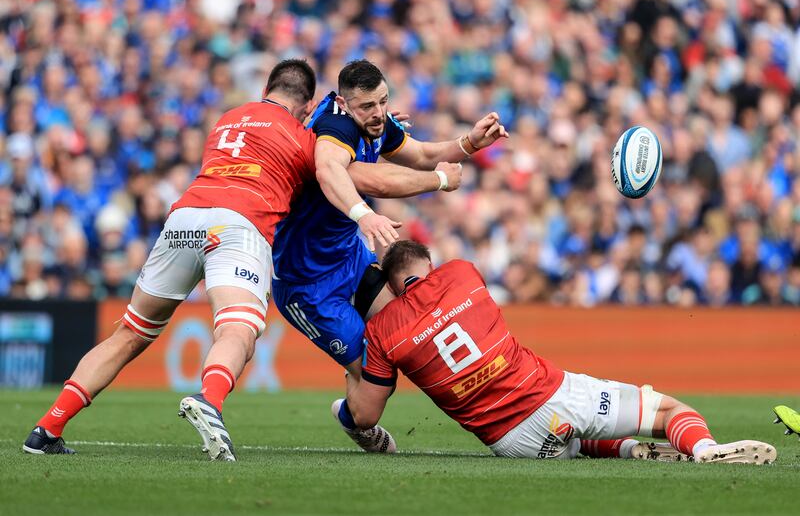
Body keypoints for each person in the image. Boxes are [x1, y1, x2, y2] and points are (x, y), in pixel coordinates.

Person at [21, 59, 456, 460]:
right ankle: (210, 402)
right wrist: (429, 179)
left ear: (267, 89)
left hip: (185, 216)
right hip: (239, 224)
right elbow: (352, 174)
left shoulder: (227, 120)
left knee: (131, 333)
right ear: (308, 107)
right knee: (238, 330)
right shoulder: (306, 137)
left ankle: (46, 429)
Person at [342, 240, 777, 464]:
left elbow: (366, 415)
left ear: (393, 286)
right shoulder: (461, 274)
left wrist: (349, 370)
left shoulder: (383, 331)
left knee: (579, 441)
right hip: (550, 394)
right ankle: (703, 451)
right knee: (665, 412)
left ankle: (626, 451)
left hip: (510, 441)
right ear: (429, 267)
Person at [271, 60, 507, 452]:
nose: (378, 112)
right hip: (307, 284)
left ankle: (363, 397)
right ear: (346, 105)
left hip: (348, 259)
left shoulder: (373, 121)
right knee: (374, 388)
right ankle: (354, 418)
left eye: (383, 101)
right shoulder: (335, 128)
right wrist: (429, 185)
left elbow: (418, 153)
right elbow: (338, 172)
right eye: (367, 106)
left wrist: (469, 144)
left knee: (403, 335)